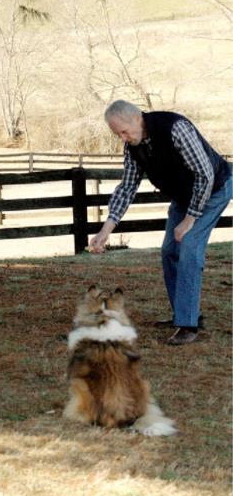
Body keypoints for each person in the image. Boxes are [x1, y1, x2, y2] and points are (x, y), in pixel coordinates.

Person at [90, 100, 232, 345]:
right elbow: (127, 187)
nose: (123, 138)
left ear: (137, 118)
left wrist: (189, 219)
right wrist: (106, 229)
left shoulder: (175, 128)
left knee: (188, 247)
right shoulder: (133, 147)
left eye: (124, 131)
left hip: (215, 188)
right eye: (117, 134)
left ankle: (188, 325)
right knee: (169, 251)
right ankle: (184, 313)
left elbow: (205, 174)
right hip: (184, 195)